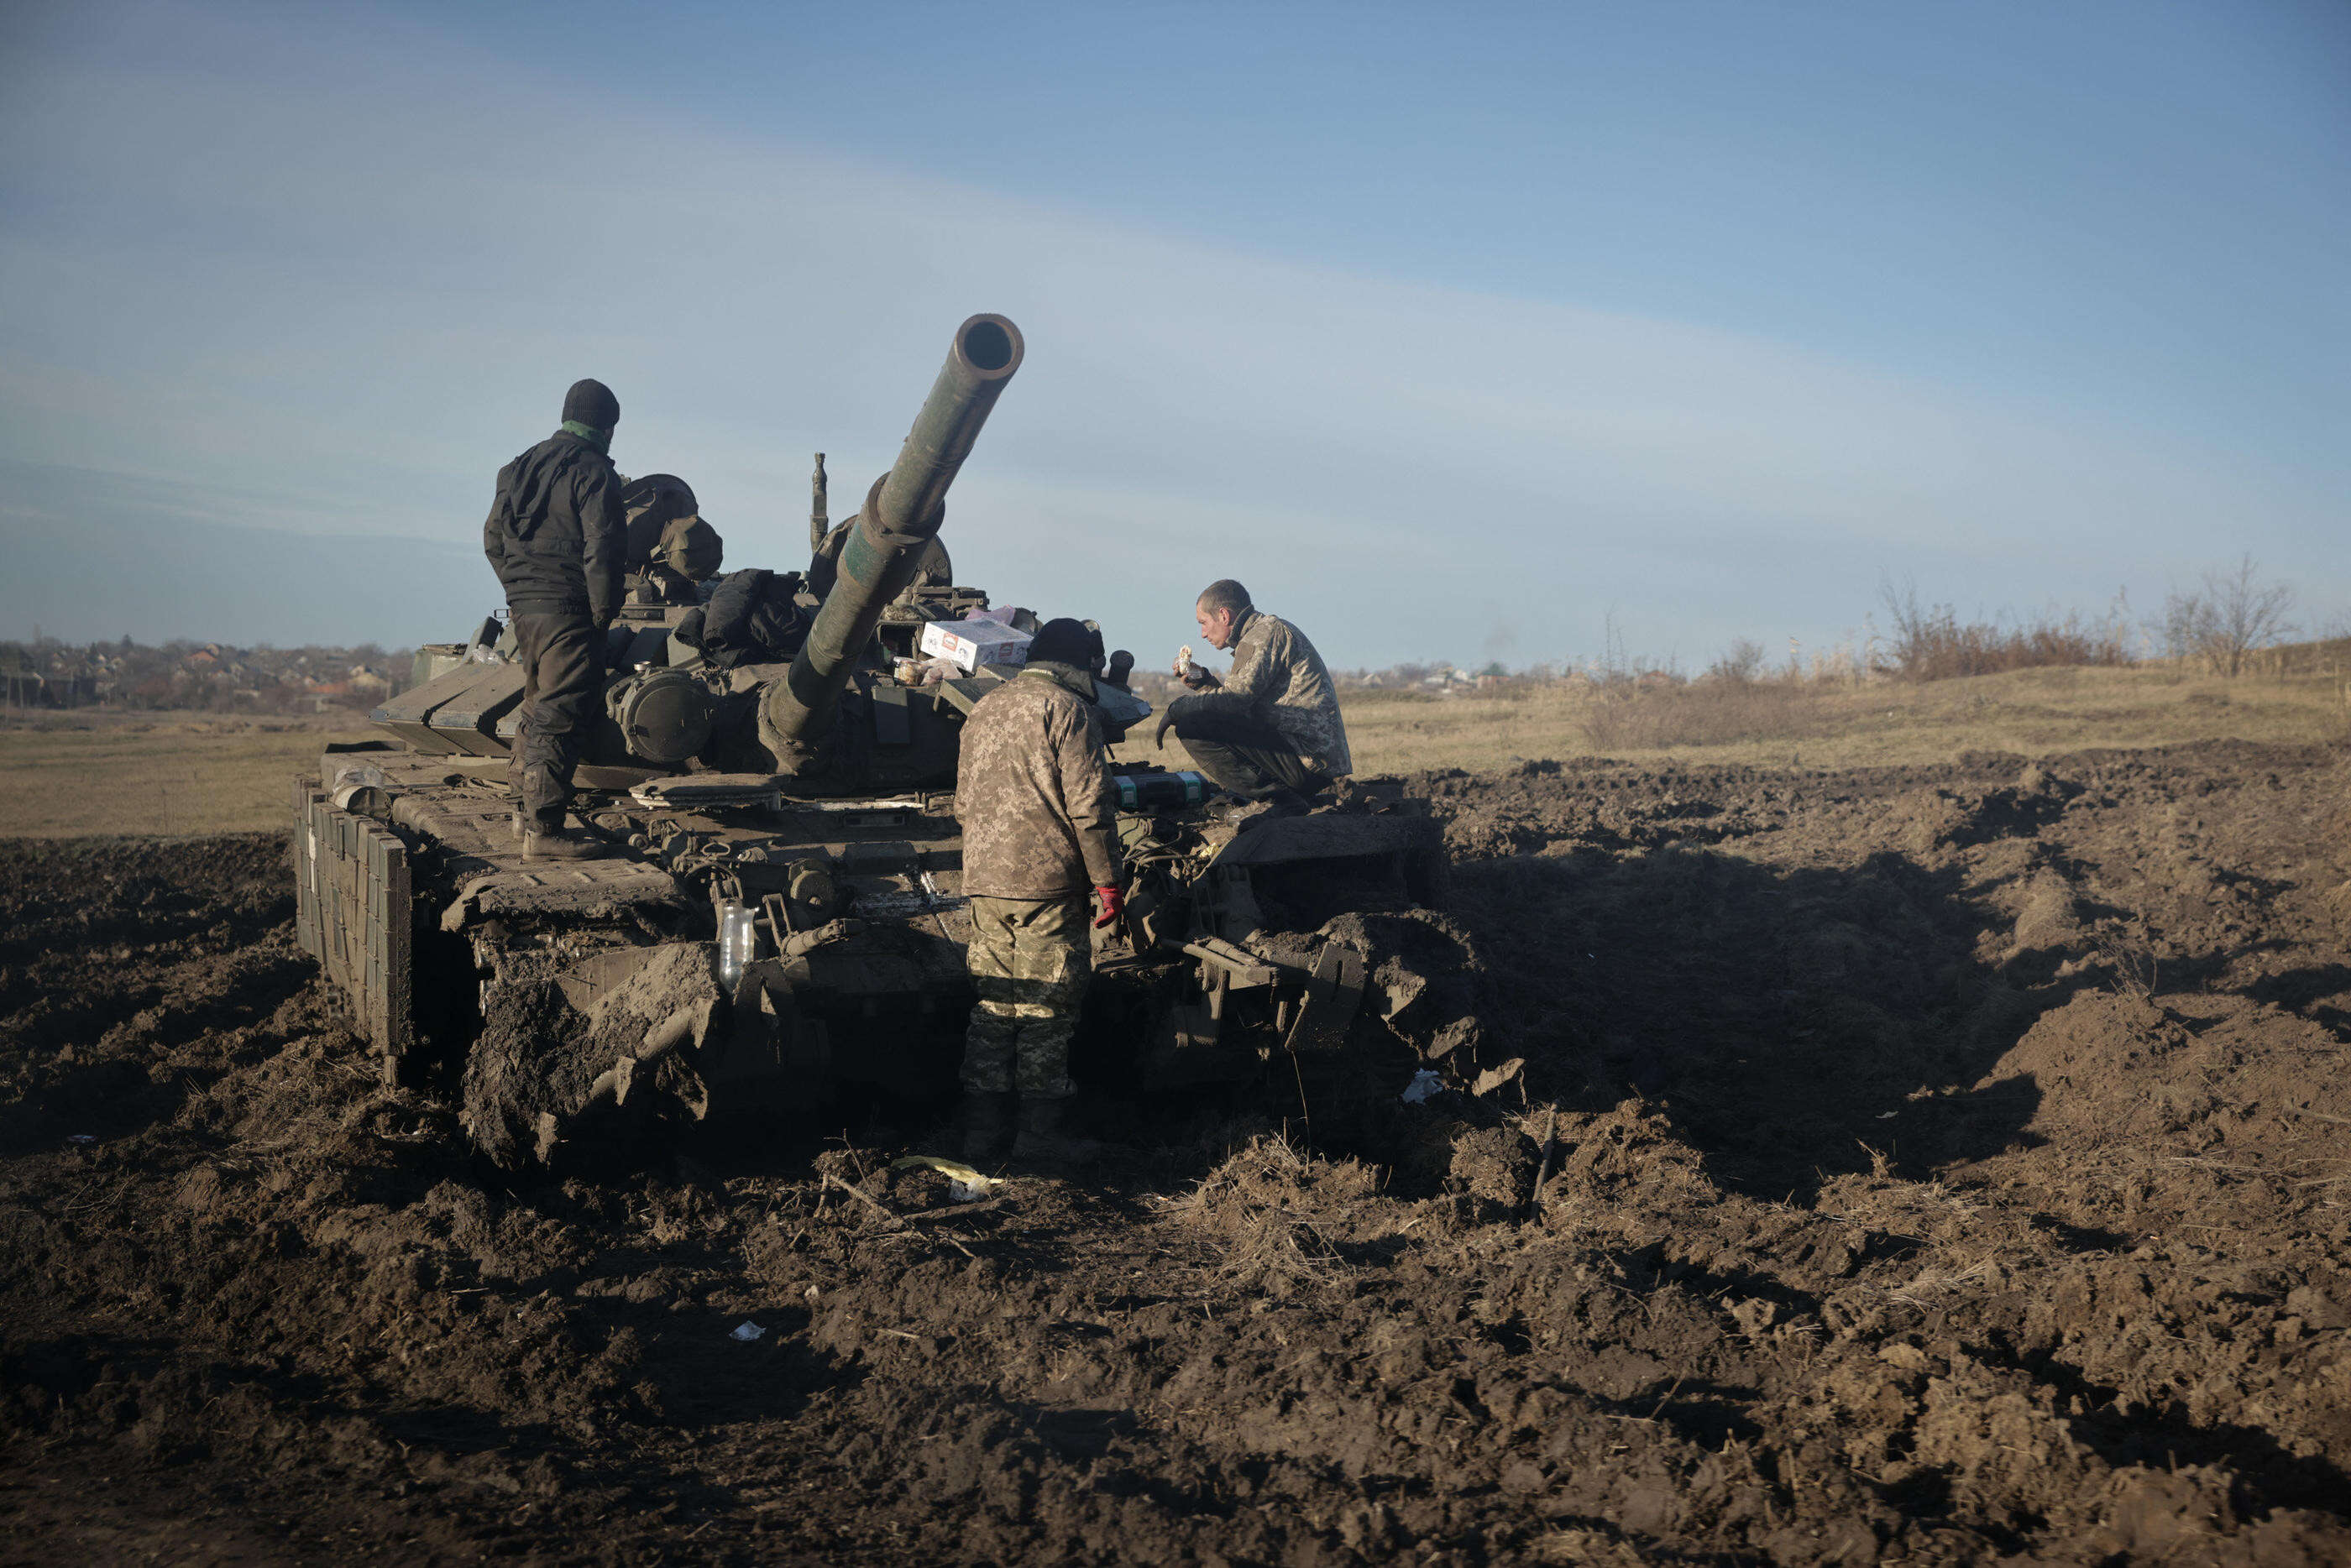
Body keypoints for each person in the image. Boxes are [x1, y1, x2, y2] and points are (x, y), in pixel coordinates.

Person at [953, 618, 1124, 1161]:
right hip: (1046, 886)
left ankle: (981, 1135)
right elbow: (1089, 809)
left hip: (985, 883)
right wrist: (1108, 883)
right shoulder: (1068, 709)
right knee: (1047, 1013)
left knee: (995, 1008)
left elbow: (961, 804)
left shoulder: (983, 708)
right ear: (1078, 665)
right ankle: (1040, 1137)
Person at [481, 378, 626, 860]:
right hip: (568, 608)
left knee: (536, 706)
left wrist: (519, 588)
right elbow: (602, 548)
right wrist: (602, 613)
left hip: (525, 607)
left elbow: (493, 539)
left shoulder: (518, 467)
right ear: (606, 426)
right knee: (559, 714)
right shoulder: (594, 472)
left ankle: (523, 816)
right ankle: (545, 831)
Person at [1159, 578, 1351, 812]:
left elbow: (1235, 702)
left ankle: (1278, 800)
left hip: (1307, 759)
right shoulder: (1264, 632)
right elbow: (1241, 705)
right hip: (1308, 755)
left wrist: (1178, 708)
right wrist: (1204, 683)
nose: (1202, 634)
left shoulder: (1262, 635)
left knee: (1191, 727)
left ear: (1224, 615)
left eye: (1204, 623)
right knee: (1204, 719)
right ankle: (1280, 796)